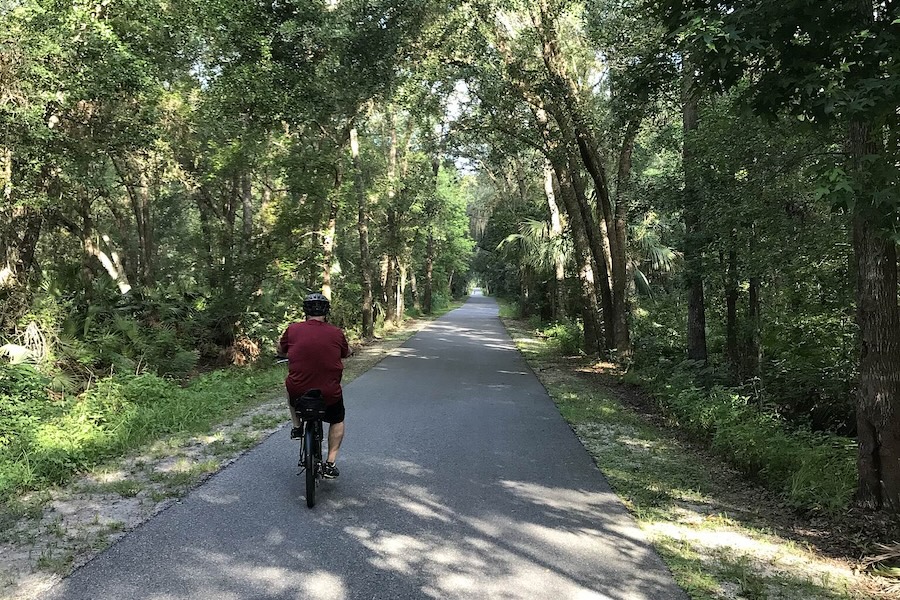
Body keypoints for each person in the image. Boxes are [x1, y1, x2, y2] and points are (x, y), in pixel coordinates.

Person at [278, 292, 351, 479]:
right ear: (326, 312)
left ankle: (296, 426)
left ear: (305, 311)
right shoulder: (336, 332)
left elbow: (281, 351)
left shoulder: (292, 330)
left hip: (299, 390)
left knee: (289, 388)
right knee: (337, 419)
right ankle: (330, 463)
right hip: (329, 393)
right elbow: (347, 352)